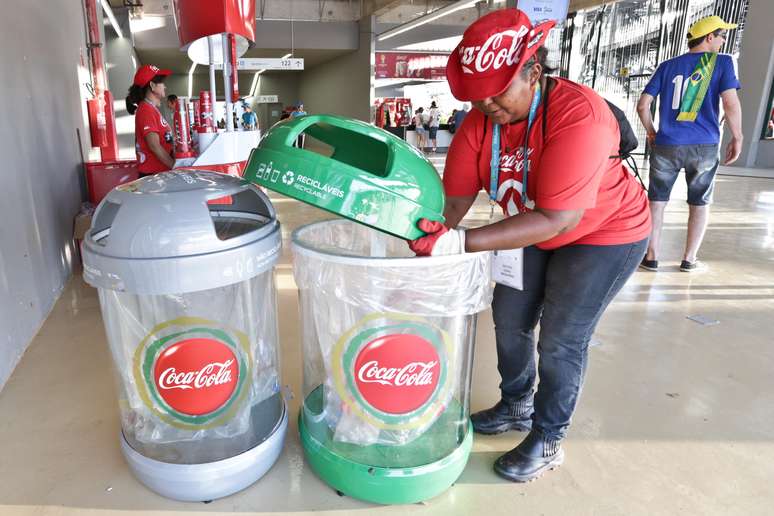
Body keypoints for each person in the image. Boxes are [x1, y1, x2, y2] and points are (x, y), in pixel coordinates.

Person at [408, 9, 651, 483]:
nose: (487, 105)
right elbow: (454, 201)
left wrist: (460, 243)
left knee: (561, 338)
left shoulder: (578, 115)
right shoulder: (479, 122)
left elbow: (560, 217)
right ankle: (516, 404)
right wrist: (428, 241)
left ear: (534, 72)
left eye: (499, 91)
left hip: (604, 231)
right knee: (510, 319)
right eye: (477, 98)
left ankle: (548, 436)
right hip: (528, 226)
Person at [637, 15, 743, 272]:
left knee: (657, 201)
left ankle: (651, 257)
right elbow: (729, 103)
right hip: (703, 146)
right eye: (722, 35)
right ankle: (689, 259)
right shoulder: (721, 63)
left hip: (667, 144)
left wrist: (652, 132)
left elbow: (643, 106)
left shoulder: (666, 66)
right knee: (700, 201)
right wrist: (737, 136)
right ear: (709, 37)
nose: (723, 40)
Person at [125, 64, 174, 176]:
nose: (164, 86)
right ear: (152, 85)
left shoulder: (150, 108)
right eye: (161, 83)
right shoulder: (145, 110)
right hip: (153, 176)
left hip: (158, 174)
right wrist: (174, 166)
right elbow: (154, 146)